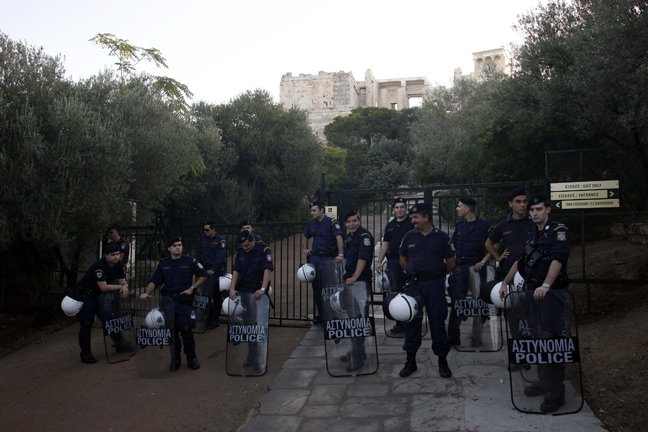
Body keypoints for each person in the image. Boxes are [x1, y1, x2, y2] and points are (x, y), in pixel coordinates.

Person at [499, 194, 571, 413]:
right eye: (532, 210)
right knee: (537, 339)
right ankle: (544, 381)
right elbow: (520, 261)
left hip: (551, 295)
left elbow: (558, 260)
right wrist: (505, 283)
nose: (535, 213)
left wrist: (547, 285)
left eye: (539, 209)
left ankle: (555, 393)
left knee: (550, 342)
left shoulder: (559, 231)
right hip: (532, 293)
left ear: (547, 210)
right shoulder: (532, 233)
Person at [399, 203, 455, 379]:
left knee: (438, 321)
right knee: (413, 321)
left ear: (426, 217)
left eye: (416, 217)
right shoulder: (409, 236)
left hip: (434, 285)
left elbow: (451, 262)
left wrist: (436, 275)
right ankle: (410, 361)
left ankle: (442, 361)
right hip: (415, 285)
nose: (413, 220)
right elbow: (403, 260)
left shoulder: (442, 237)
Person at [140, 237, 209, 371]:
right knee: (171, 332)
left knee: (187, 330)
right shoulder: (163, 264)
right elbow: (154, 280)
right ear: (169, 248)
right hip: (168, 302)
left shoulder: (190, 261)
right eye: (175, 245)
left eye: (180, 245)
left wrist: (192, 288)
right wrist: (146, 292)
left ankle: (191, 357)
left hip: (183, 301)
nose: (178, 247)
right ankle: (175, 358)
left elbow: (204, 275)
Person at [447, 197, 492, 346]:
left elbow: (493, 246)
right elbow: (452, 246)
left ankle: (477, 336)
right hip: (460, 268)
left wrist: (484, 261)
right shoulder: (459, 226)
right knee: (457, 300)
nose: (457, 209)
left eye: (459, 206)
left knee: (479, 302)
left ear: (467, 209)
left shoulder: (484, 225)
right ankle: (454, 337)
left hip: (476, 267)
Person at [76, 243, 129, 364]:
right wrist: (121, 286)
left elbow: (122, 280)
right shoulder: (99, 267)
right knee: (86, 322)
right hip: (87, 295)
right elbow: (104, 287)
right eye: (113, 255)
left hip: (98, 296)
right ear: (106, 255)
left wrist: (125, 285)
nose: (116, 257)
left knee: (110, 319)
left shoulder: (118, 264)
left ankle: (120, 344)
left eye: (117, 254)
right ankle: (85, 353)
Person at [228, 230, 273, 368]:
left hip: (257, 291)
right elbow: (236, 270)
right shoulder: (241, 251)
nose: (245, 248)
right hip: (244, 291)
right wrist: (232, 288)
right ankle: (252, 357)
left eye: (247, 245)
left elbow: (267, 269)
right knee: (249, 324)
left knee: (258, 325)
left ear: (253, 240)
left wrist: (263, 289)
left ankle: (259, 358)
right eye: (243, 246)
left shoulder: (264, 249)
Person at [338, 209, 374, 372]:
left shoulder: (364, 236)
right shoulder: (350, 237)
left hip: (360, 283)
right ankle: (358, 351)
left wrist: (354, 277)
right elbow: (351, 258)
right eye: (349, 221)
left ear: (359, 220)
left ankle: (358, 359)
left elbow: (363, 259)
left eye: (355, 220)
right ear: (345, 224)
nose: (352, 224)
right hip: (351, 281)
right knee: (353, 316)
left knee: (359, 318)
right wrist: (347, 273)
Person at [376, 197, 414, 335]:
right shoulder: (390, 225)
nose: (399, 210)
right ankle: (399, 323)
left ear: (406, 208)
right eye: (397, 207)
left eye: (402, 207)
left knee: (409, 292)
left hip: (409, 262)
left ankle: (410, 321)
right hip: (392, 262)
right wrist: (379, 261)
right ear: (394, 209)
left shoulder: (412, 223)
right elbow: (385, 243)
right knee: (396, 292)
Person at [302, 201, 344, 325]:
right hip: (315, 259)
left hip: (327, 259)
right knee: (316, 288)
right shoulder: (312, 223)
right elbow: (305, 235)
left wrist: (340, 254)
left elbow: (339, 238)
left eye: (314, 210)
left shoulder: (331, 223)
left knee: (329, 287)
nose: (312, 213)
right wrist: (305, 248)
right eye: (311, 210)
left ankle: (332, 314)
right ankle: (320, 314)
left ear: (322, 210)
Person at [485, 188, 535, 281]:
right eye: (518, 202)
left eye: (525, 201)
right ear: (510, 204)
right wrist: (498, 258)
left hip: (531, 269)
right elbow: (488, 243)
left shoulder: (534, 221)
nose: (522, 205)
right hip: (509, 269)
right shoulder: (503, 224)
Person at [196, 220, 227, 330]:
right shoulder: (202, 238)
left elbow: (220, 258)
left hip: (215, 271)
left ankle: (214, 320)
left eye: (207, 230)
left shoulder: (220, 240)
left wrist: (213, 270)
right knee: (204, 296)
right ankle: (205, 318)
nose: (205, 232)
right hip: (203, 270)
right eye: (204, 230)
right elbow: (198, 254)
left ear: (213, 229)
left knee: (215, 295)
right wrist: (199, 268)